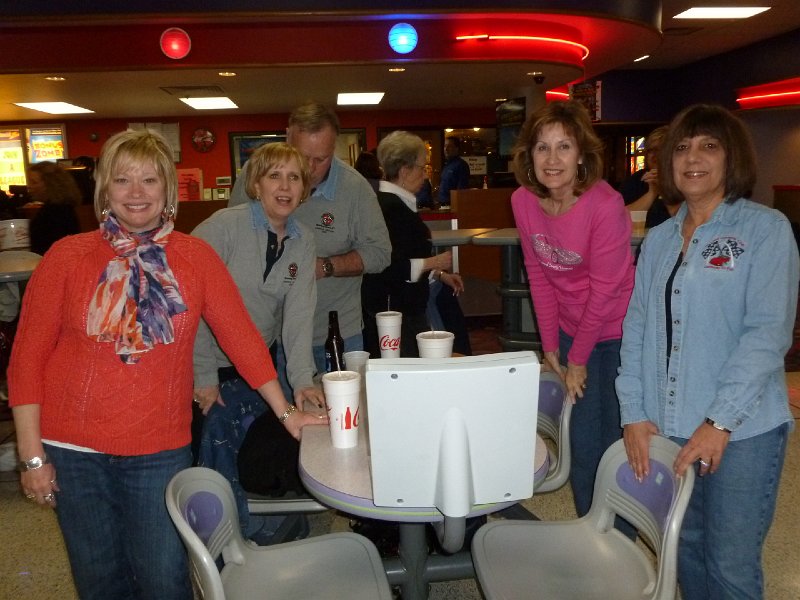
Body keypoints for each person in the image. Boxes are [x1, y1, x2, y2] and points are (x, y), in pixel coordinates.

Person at [8, 129, 324, 600]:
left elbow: (243, 340)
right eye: (123, 180)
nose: (136, 193)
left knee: (164, 579)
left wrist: (287, 413)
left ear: (168, 190)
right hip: (72, 449)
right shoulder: (67, 257)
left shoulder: (194, 257)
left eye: (150, 180)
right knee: (100, 582)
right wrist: (33, 457)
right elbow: (26, 361)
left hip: (158, 447)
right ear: (104, 191)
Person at [616, 104, 799, 600]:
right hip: (669, 426)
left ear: (731, 158)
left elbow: (766, 334)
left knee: (729, 567)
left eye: (708, 146)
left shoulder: (765, 230)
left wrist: (718, 422)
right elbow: (636, 328)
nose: (692, 157)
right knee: (685, 553)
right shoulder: (657, 241)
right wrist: (633, 412)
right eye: (682, 147)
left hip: (742, 431)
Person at [510, 99, 635, 520]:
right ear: (529, 155)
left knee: (616, 440)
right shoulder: (524, 201)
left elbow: (605, 289)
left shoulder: (605, 204)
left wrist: (576, 359)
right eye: (542, 147)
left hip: (618, 332)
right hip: (570, 331)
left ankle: (623, 542)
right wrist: (551, 347)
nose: (552, 158)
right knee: (581, 439)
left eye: (564, 146)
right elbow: (539, 275)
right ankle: (590, 529)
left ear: (581, 154)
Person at [192, 142, 324, 540]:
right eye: (274, 176)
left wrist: (302, 379)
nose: (284, 186)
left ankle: (261, 525)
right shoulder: (222, 227)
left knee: (259, 444)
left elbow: (299, 319)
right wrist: (202, 375)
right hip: (204, 362)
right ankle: (221, 535)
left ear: (304, 189)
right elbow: (189, 303)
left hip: (257, 366)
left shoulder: (302, 240)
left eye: (294, 177)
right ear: (256, 184)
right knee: (214, 441)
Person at [229, 102, 391, 375]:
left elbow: (380, 253)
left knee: (339, 414)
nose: (311, 168)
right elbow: (233, 243)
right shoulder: (254, 176)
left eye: (322, 158)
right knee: (277, 416)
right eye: (303, 157)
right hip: (264, 334)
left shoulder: (355, 188)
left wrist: (325, 267)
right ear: (287, 136)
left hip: (331, 334)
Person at [362, 131, 462, 358]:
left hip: (399, 311)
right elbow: (388, 266)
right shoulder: (391, 208)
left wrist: (437, 273)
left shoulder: (392, 204)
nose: (425, 174)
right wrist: (433, 262)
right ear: (405, 171)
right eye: (422, 167)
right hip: (397, 314)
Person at [619, 125, 678, 229]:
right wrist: (652, 193)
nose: (654, 155)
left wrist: (664, 191)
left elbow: (688, 221)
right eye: (651, 150)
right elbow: (618, 220)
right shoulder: (637, 179)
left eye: (660, 150)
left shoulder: (684, 179)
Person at [24, 161, 82, 255]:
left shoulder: (54, 212)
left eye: (34, 182)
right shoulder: (63, 208)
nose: (29, 186)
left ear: (50, 184)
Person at [438, 135, 471, 207]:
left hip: (453, 206)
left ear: (456, 148)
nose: (446, 149)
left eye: (449, 146)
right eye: (444, 146)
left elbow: (462, 190)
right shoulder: (446, 165)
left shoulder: (461, 165)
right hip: (443, 205)